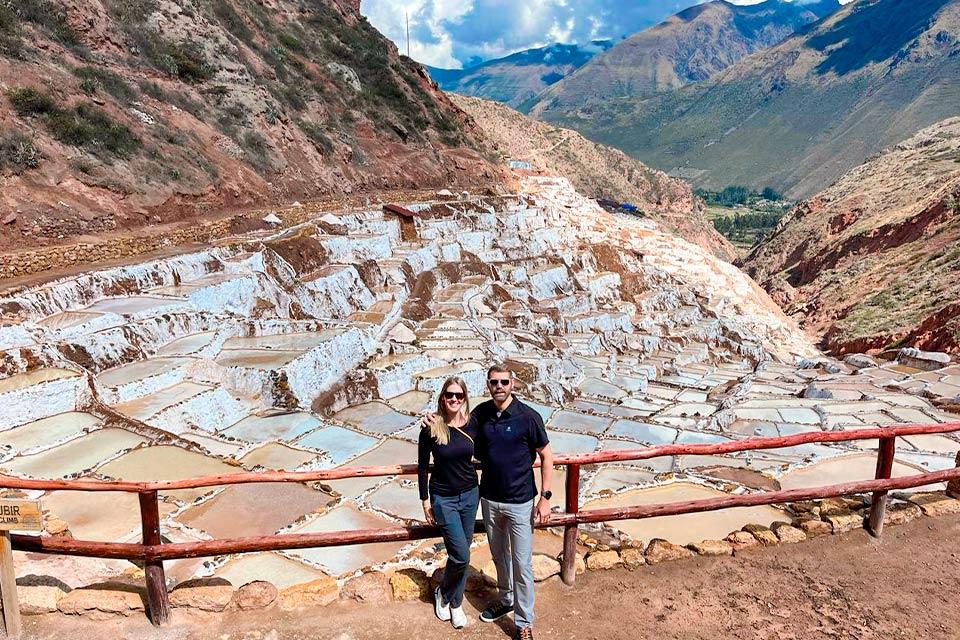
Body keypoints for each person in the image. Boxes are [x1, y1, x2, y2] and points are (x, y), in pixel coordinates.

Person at [472, 364, 553, 640]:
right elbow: (458, 427)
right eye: (494, 382)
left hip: (520, 502)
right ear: (488, 384)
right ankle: (506, 598)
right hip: (490, 499)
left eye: (504, 381)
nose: (499, 386)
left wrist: (545, 497)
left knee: (522, 562)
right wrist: (431, 423)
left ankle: (524, 622)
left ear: (513, 383)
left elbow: (546, 455)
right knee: (499, 556)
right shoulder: (481, 413)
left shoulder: (529, 417)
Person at [418, 376, 478, 630]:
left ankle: (452, 602)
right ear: (442, 397)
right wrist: (424, 501)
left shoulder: (473, 424)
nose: (454, 399)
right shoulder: (430, 428)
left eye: (459, 395)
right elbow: (422, 467)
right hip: (443, 498)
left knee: (462, 554)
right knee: (461, 554)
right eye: (449, 395)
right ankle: (447, 595)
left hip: (470, 495)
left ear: (464, 398)